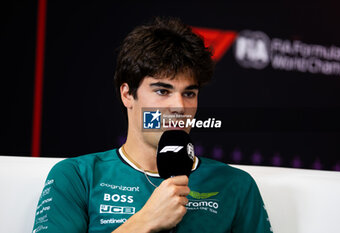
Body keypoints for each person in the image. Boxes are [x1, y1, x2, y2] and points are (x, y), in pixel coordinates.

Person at [32, 17, 273, 233]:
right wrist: (144, 222)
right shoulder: (78, 176)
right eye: (162, 90)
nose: (179, 106)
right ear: (127, 95)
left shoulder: (236, 185)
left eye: (189, 93)